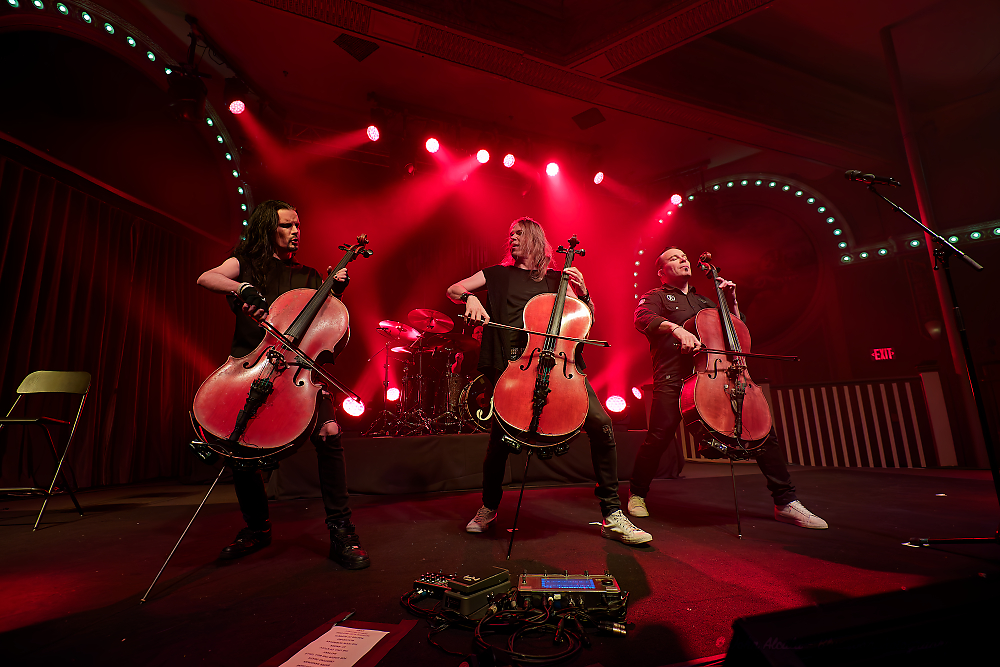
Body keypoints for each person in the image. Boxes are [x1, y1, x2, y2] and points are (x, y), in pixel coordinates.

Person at [446, 217, 652, 545]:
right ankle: (489, 506)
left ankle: (612, 514)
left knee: (601, 424)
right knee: (499, 439)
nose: (512, 238)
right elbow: (454, 289)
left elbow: (584, 320)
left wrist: (585, 293)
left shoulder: (557, 280)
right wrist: (470, 298)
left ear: (535, 239)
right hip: (515, 364)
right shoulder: (497, 274)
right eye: (510, 234)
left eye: (518, 233)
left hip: (560, 364)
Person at [196, 199, 371, 568]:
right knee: (239, 445)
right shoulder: (245, 263)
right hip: (252, 366)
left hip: (297, 372)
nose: (295, 232)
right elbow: (207, 277)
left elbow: (323, 327)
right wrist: (243, 288)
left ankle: (342, 531)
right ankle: (257, 528)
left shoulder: (309, 276)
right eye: (287, 225)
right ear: (268, 228)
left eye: (298, 226)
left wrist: (333, 292)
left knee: (329, 432)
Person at [629, 246, 828, 529]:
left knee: (762, 433)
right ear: (662, 272)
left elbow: (736, 331)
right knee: (659, 436)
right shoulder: (656, 297)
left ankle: (786, 502)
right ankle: (637, 493)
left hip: (716, 377)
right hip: (674, 378)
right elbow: (642, 318)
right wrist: (677, 329)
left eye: (684, 256)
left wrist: (731, 301)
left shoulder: (704, 301)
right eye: (674, 258)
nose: (683, 259)